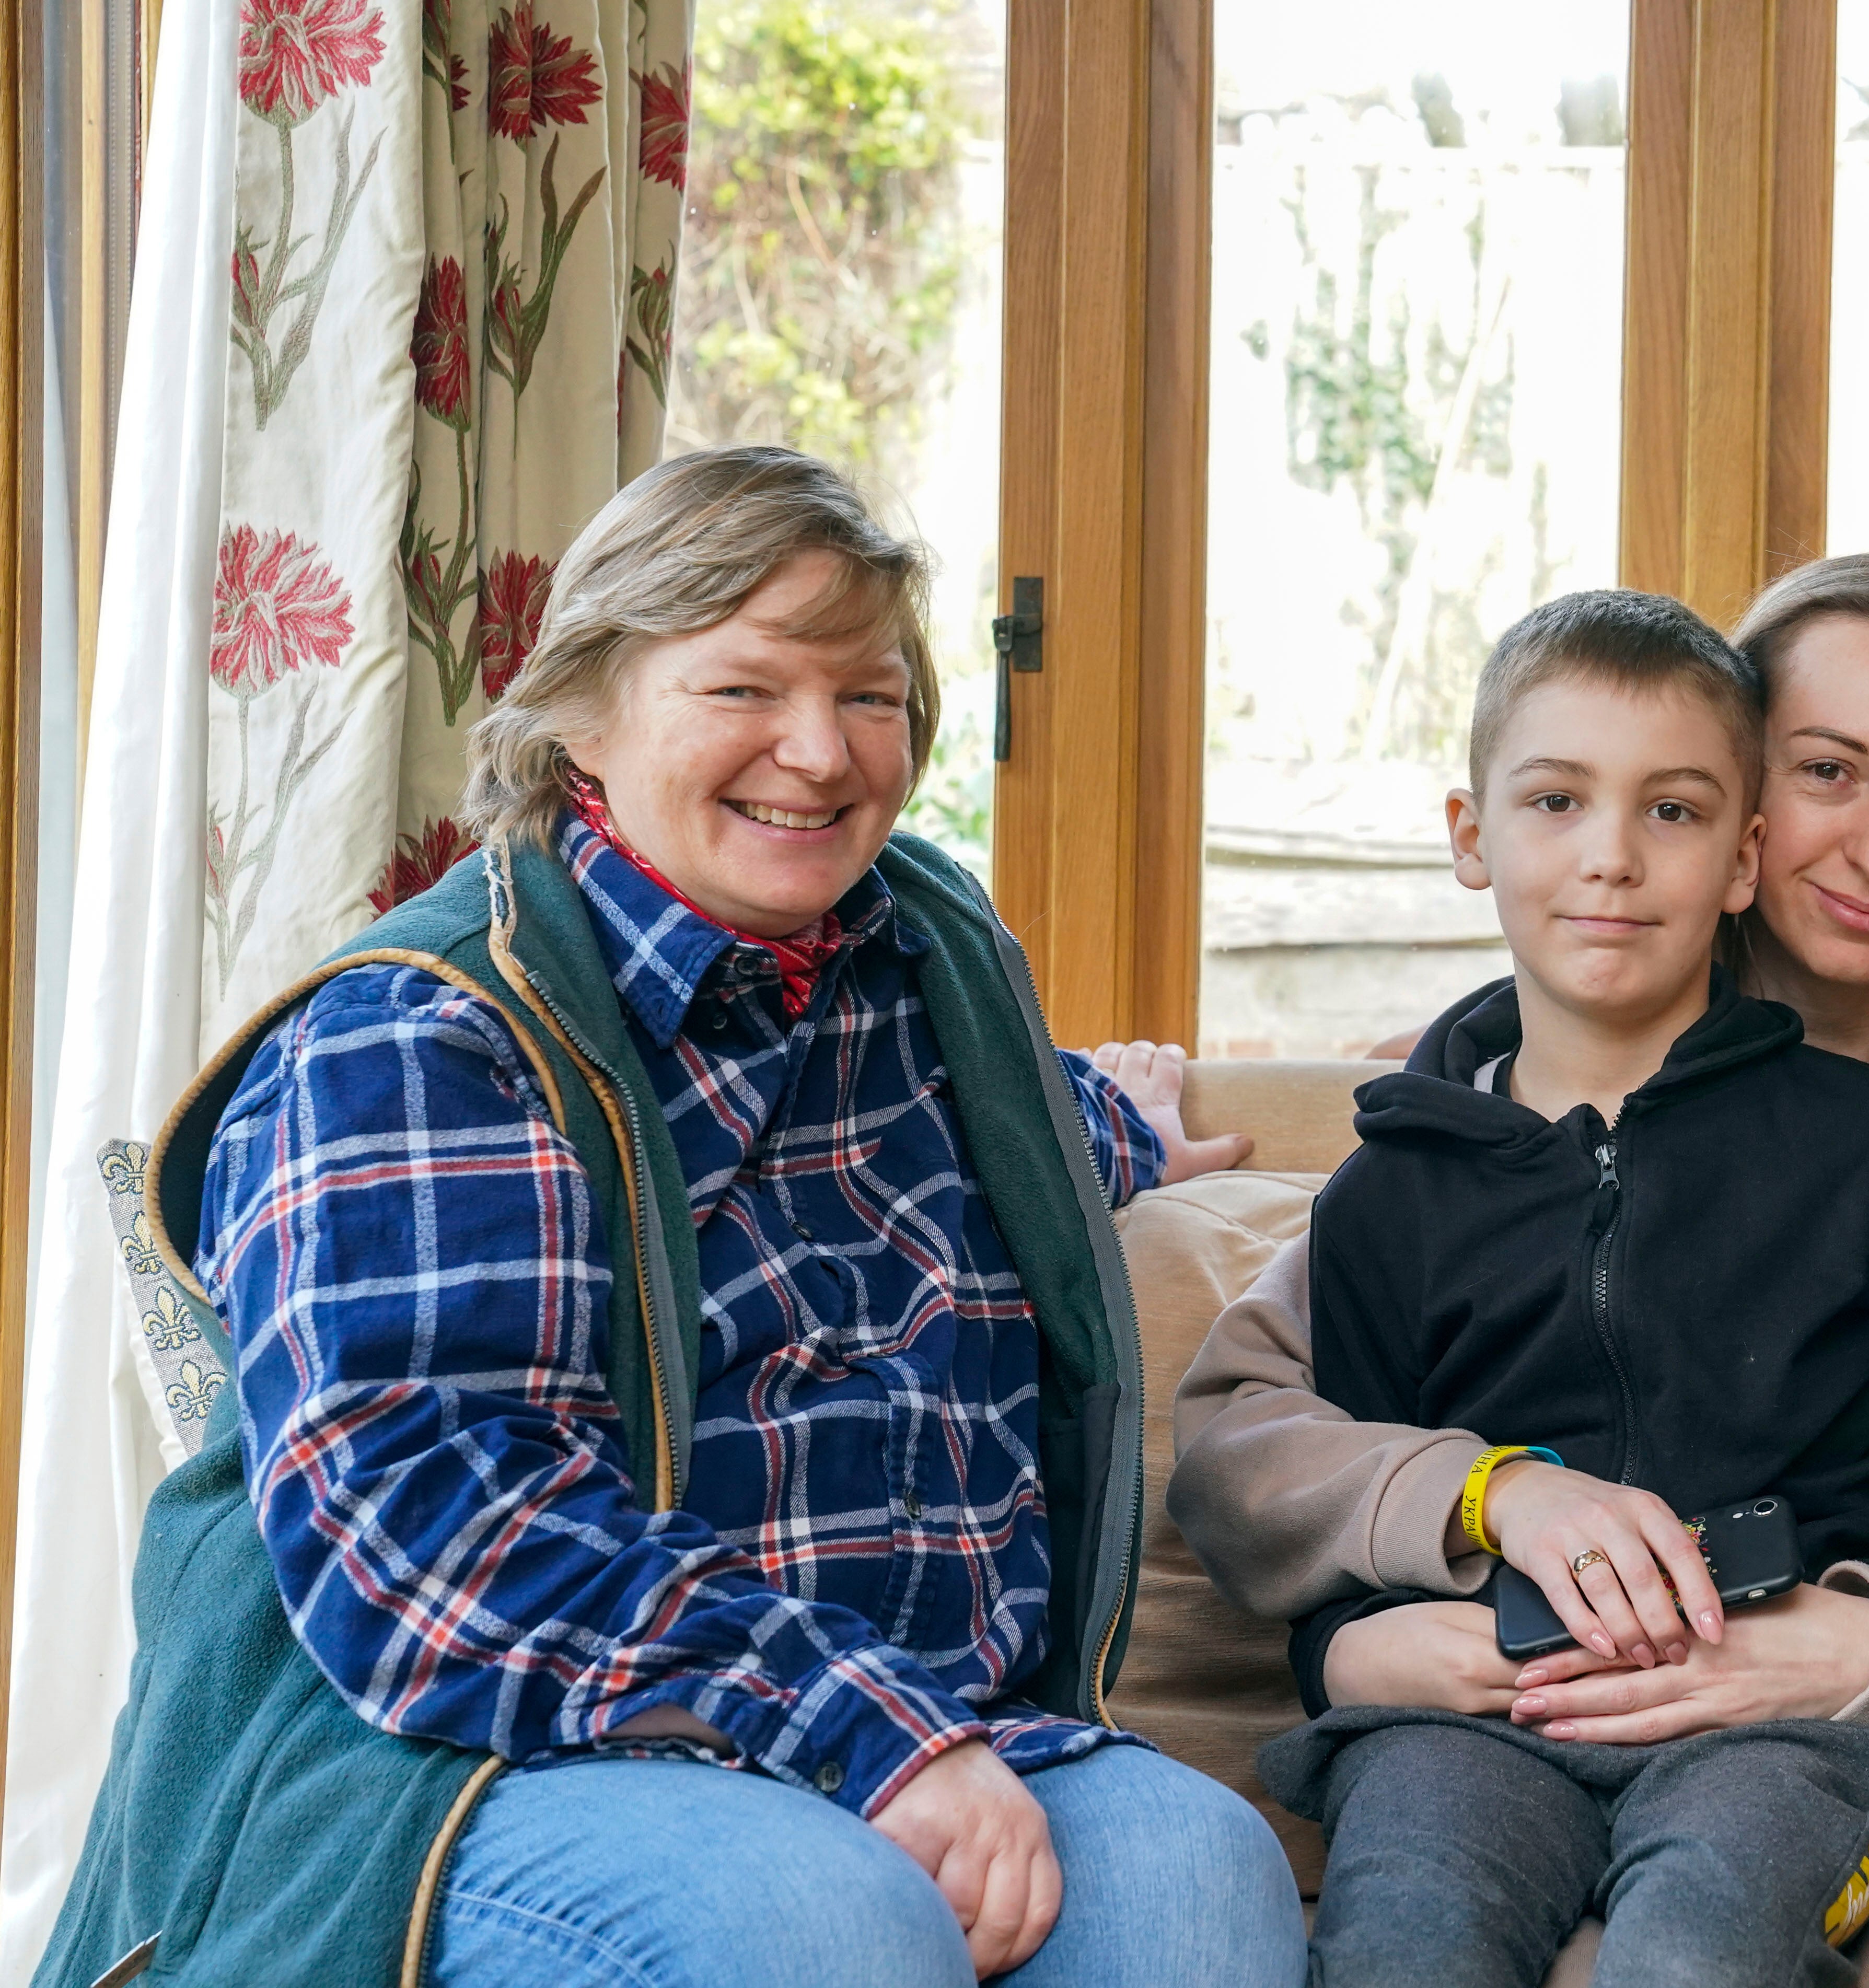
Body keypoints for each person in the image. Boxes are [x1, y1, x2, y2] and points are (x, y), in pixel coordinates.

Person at [39, 447, 1304, 1988]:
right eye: (745, 691)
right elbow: (430, 1529)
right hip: (468, 1763)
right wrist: (860, 1727)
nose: (823, 754)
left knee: (1198, 1877)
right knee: (823, 1923)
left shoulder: (920, 962)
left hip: (912, 1725)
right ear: (582, 708)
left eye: (874, 698)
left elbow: (1022, 1142)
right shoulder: (419, 1040)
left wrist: (1128, 1129)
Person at [1174, 556, 1869, 1984]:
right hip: (1508, 1738)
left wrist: (1845, 1650)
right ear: (1743, 792)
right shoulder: (1482, 1125)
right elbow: (1263, 1432)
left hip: (1845, 1759)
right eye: (1829, 770)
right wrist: (1398, 1608)